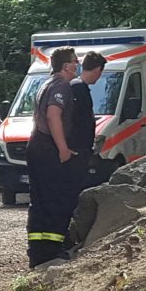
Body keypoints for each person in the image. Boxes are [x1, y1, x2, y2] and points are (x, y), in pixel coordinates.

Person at [24, 48, 98, 267]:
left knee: (40, 200)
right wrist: (63, 148)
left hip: (37, 145)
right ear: (66, 66)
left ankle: (38, 250)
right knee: (56, 198)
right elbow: (53, 115)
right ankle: (52, 250)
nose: (78, 65)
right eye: (75, 62)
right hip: (47, 148)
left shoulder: (46, 83)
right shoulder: (62, 86)